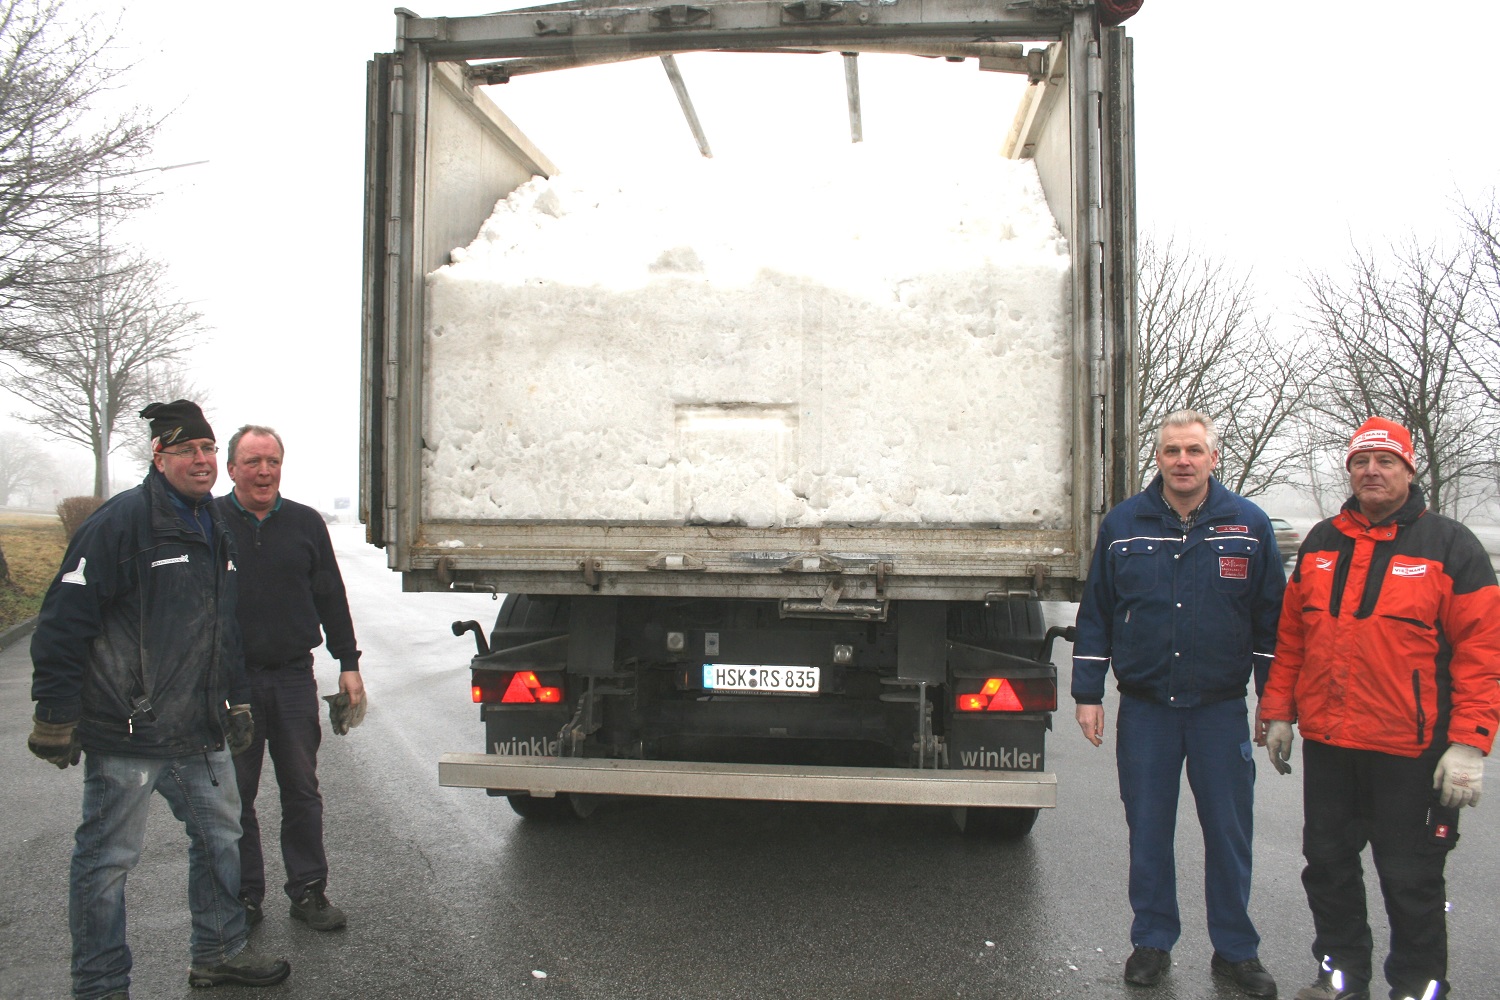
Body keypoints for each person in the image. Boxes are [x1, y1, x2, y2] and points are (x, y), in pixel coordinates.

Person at [26, 400, 291, 999]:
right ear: (159, 455)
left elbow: (225, 627)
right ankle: (99, 984)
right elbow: (65, 621)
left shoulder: (211, 523)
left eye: (205, 450)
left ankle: (219, 952)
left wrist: (239, 701)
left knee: (221, 837)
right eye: (185, 451)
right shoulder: (119, 524)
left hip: (199, 728)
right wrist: (54, 714)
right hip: (130, 730)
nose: (200, 461)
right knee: (107, 860)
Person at [1261, 417, 1500, 1000]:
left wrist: (1470, 742)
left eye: (1385, 461)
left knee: (1412, 878)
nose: (1371, 471)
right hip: (1331, 746)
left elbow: (1483, 650)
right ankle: (1341, 980)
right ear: (1349, 470)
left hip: (1411, 751)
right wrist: (1278, 713)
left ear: (1408, 470)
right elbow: (1292, 638)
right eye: (1361, 461)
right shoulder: (1320, 543)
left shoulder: (1450, 545)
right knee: (1328, 868)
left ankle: (1418, 988)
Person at [1072, 409, 1284, 997]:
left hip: (1220, 711)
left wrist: (1275, 700)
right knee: (1148, 829)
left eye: (1194, 450)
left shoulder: (1248, 525)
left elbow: (1273, 625)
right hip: (1146, 711)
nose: (1182, 461)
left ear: (1214, 457)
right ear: (1158, 459)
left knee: (1229, 832)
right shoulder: (1124, 525)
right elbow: (1098, 615)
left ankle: (1236, 951)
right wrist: (1088, 693)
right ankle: (1152, 941)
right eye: (1171, 451)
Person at [216, 424, 365, 932]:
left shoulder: (305, 523)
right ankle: (244, 895)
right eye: (253, 461)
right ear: (231, 467)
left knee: (301, 789)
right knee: (235, 794)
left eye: (272, 461)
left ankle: (308, 890)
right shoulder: (207, 521)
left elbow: (330, 596)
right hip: (231, 686)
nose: (264, 471)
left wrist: (348, 664)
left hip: (293, 680)